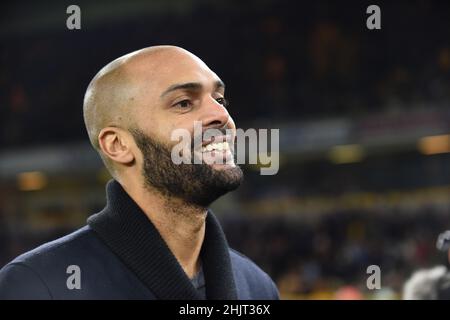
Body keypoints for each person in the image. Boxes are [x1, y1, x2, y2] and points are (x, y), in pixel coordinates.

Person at [0, 46, 279, 300]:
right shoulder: (36, 285)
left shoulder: (257, 287)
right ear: (119, 145)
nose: (221, 115)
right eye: (183, 103)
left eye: (220, 99)